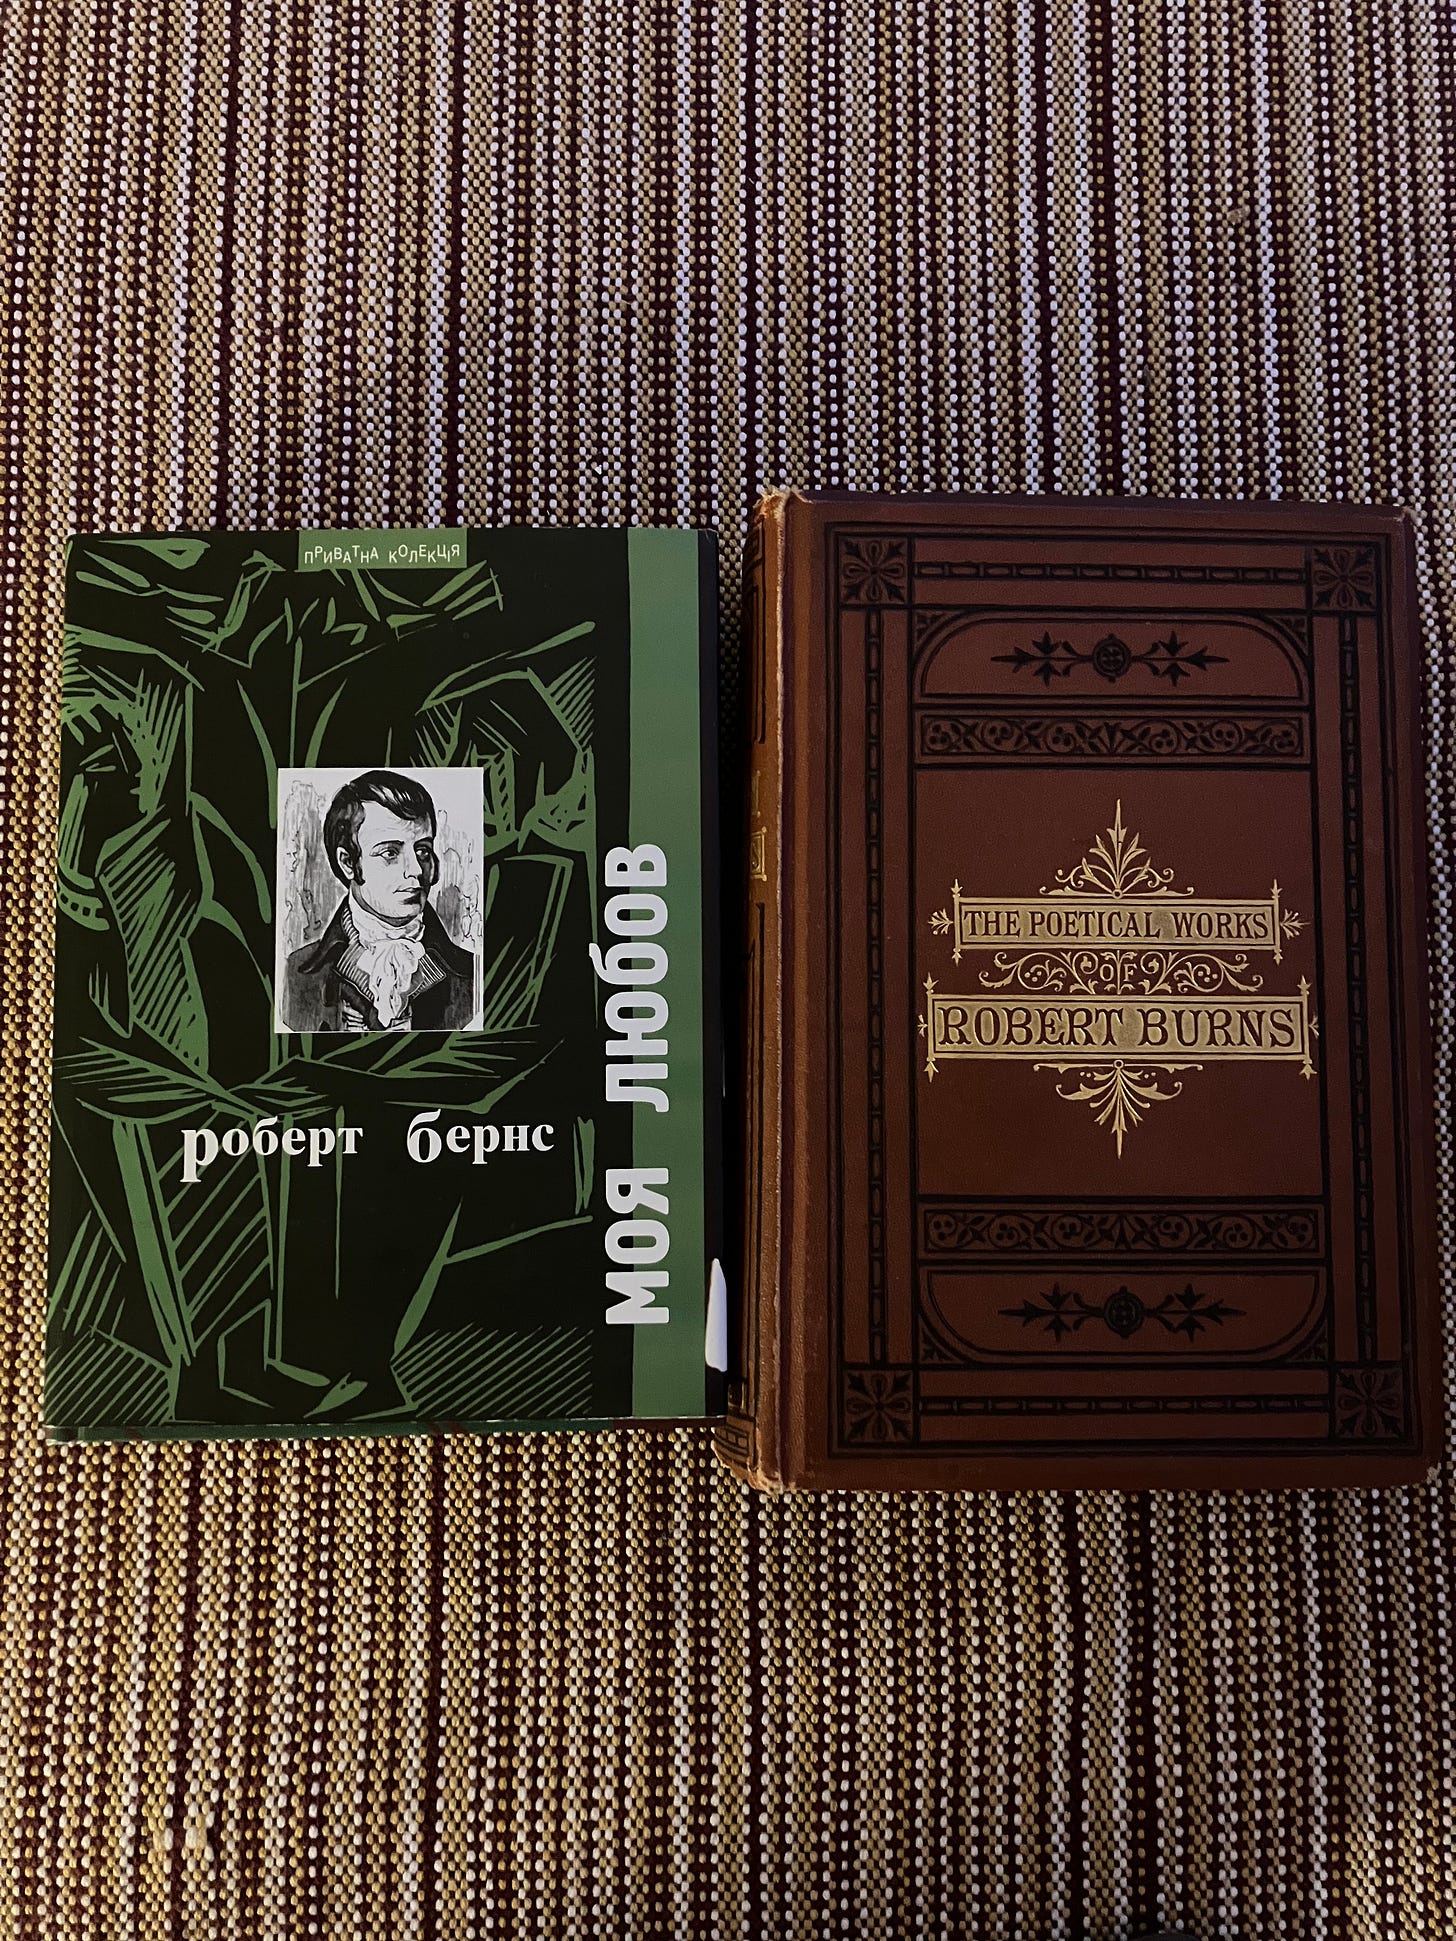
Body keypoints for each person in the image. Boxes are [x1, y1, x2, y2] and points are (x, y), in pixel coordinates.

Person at [280, 769, 476, 1032]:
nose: (416, 870)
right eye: (390, 853)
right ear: (348, 863)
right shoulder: (293, 976)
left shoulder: (473, 975)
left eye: (423, 850)